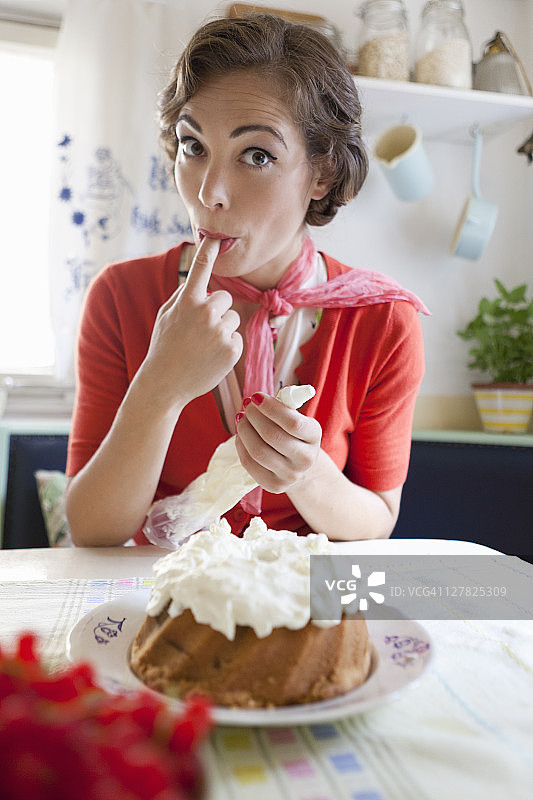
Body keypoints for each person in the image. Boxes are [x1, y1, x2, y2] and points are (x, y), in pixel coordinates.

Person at [64, 13, 427, 547]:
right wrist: (159, 388)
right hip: (161, 600)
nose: (210, 192)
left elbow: (378, 519)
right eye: (194, 146)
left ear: (321, 174)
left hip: (301, 601)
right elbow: (93, 531)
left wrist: (307, 473)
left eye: (256, 155)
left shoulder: (383, 320)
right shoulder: (121, 297)